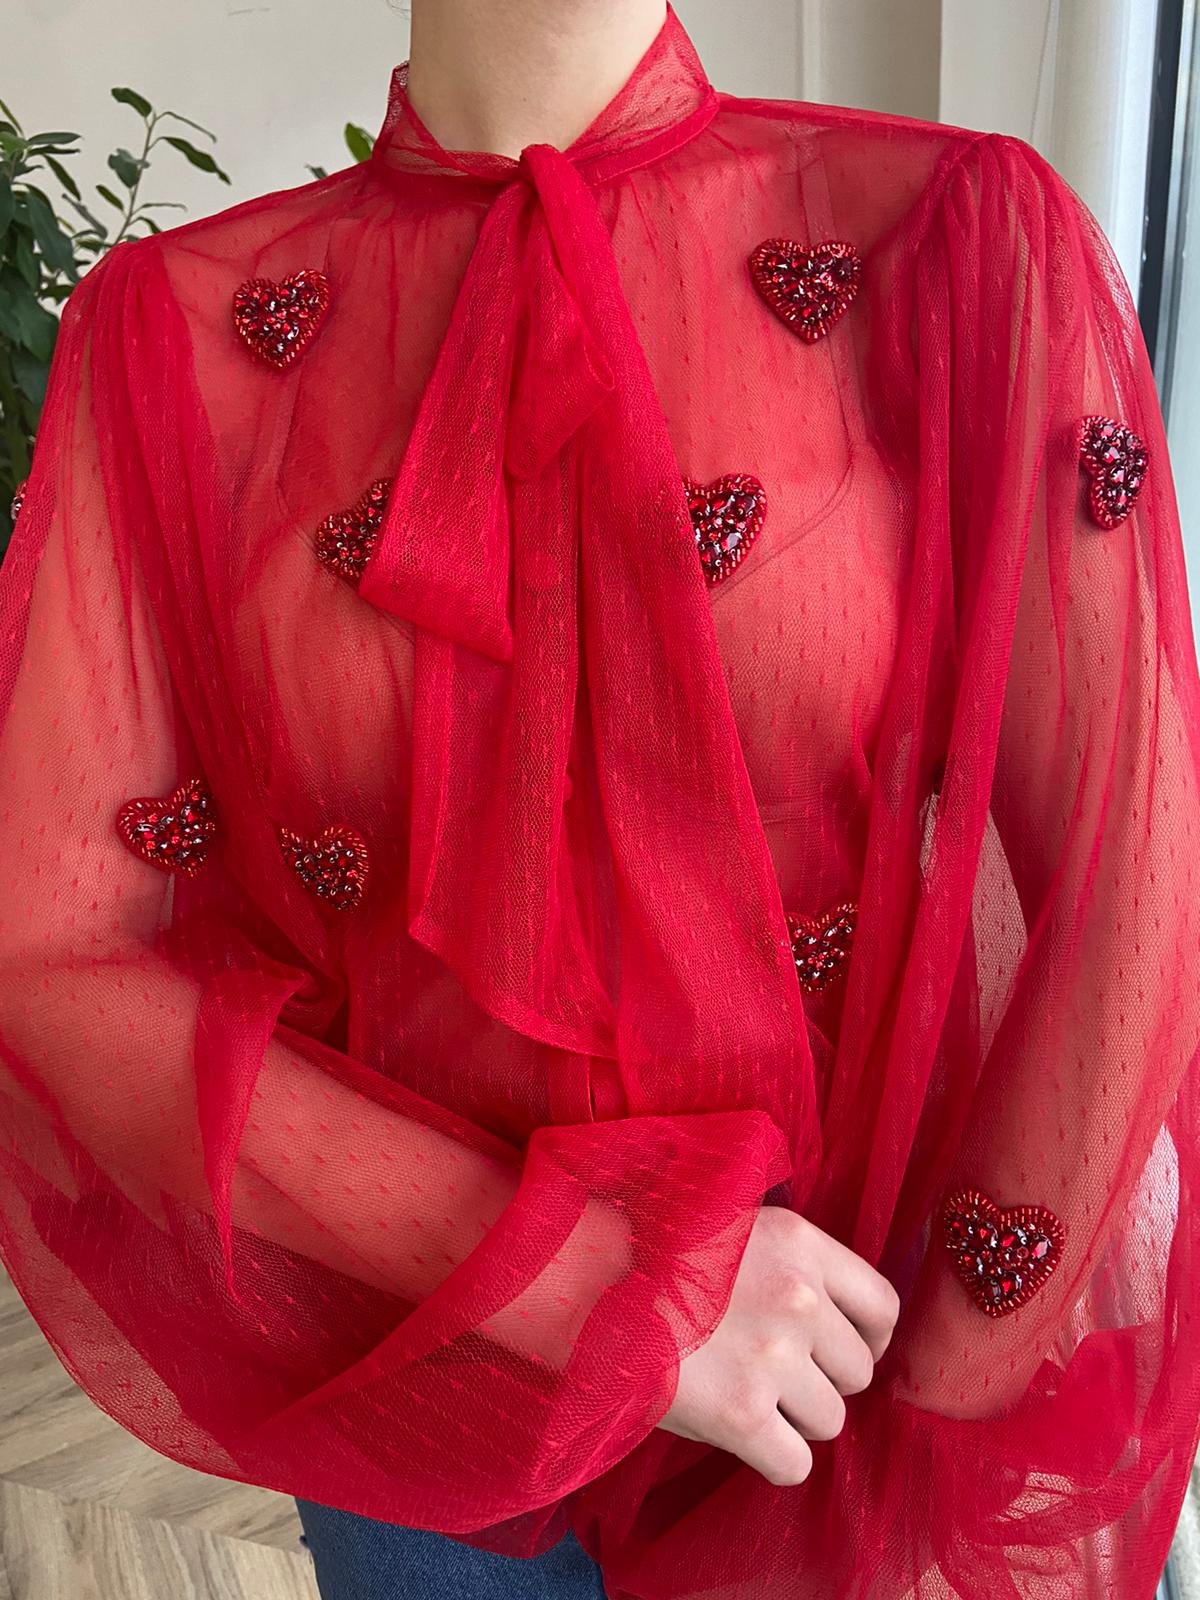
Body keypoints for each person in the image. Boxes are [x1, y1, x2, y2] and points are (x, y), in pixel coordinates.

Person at [1, 1, 1198, 1596]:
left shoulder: (952, 240)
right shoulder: (170, 333)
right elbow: (52, 948)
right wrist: (599, 1277)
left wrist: (937, 1404)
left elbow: (1134, 866)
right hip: (421, 1366)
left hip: (851, 1363)